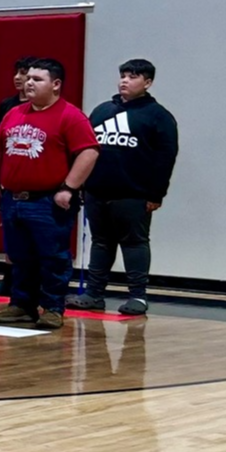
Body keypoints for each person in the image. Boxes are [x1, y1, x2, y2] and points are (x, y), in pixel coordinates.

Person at [0, 58, 100, 330]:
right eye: (28, 78)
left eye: (37, 79)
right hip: (15, 198)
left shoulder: (70, 115)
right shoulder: (15, 113)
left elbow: (89, 151)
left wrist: (68, 187)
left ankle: (52, 308)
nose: (28, 83)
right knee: (18, 255)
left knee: (53, 257)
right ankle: (21, 305)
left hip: (47, 200)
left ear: (56, 84)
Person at [72, 59, 178, 317]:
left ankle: (137, 297)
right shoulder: (102, 111)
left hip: (134, 194)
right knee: (101, 243)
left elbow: (166, 157)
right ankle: (94, 294)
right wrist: (83, 184)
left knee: (134, 244)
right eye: (123, 76)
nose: (124, 81)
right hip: (98, 192)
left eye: (132, 77)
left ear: (148, 82)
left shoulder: (158, 116)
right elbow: (87, 150)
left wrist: (156, 194)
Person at [0, 57, 35, 297]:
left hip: (34, 183)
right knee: (10, 234)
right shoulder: (8, 105)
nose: (18, 78)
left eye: (24, 73)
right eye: (16, 72)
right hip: (8, 177)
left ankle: (35, 286)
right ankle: (9, 278)